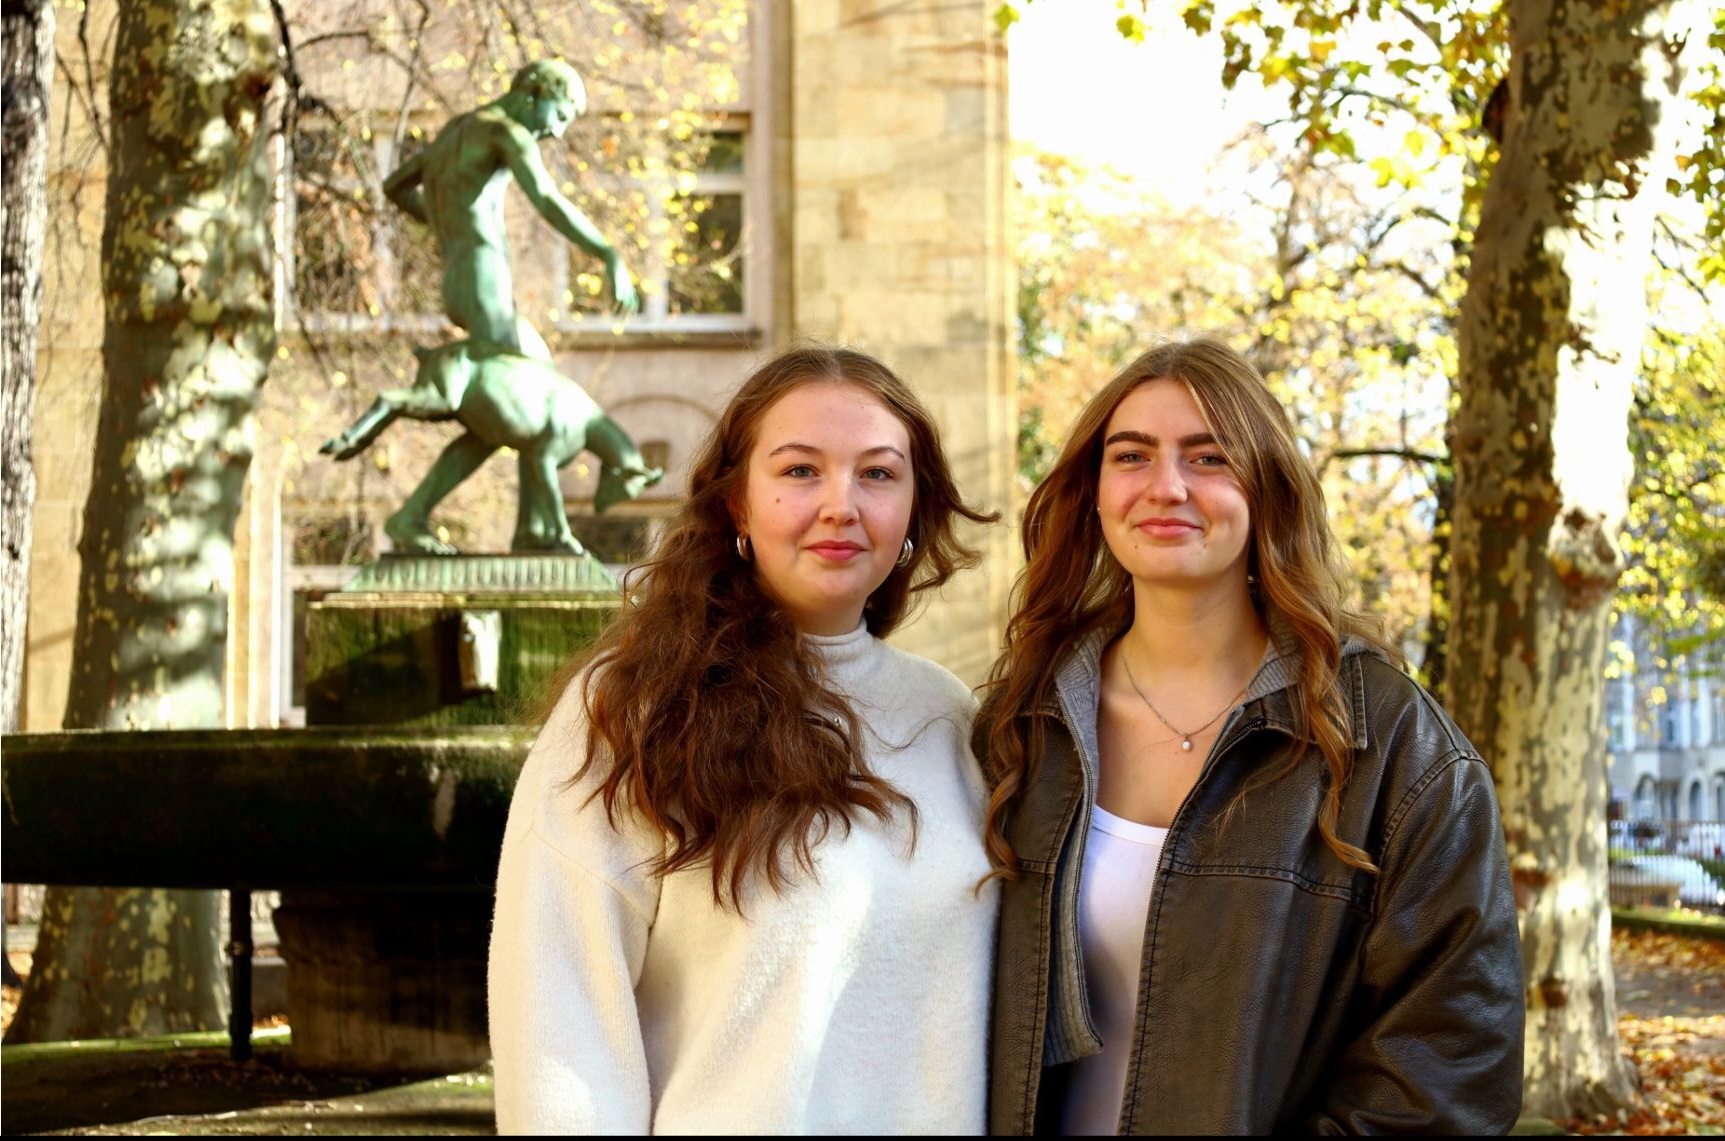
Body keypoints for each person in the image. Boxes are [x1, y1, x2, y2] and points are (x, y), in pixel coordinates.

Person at [975, 339, 1524, 1134]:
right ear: (1093, 490)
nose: (1166, 486)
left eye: (1208, 458)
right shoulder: (1021, 726)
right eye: (1132, 455)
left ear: (1265, 488)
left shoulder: (1391, 744)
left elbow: (1448, 1067)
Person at [489, 345, 1001, 1133]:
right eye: (799, 470)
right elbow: (559, 1019)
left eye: (877, 473)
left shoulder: (949, 716)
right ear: (735, 504)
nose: (841, 504)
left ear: (912, 510)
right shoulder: (633, 707)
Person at [383, 58, 638, 357]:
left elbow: (394, 187)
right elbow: (546, 198)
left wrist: (446, 217)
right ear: (534, 94)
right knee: (525, 381)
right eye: (559, 115)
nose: (557, 132)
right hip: (484, 274)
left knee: (536, 361)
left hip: (456, 280)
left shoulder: (452, 132)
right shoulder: (506, 134)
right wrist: (608, 254)